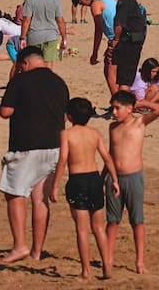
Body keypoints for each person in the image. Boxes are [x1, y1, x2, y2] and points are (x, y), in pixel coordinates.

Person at [0, 46, 70, 263]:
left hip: (26, 145)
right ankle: (37, 251)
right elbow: (64, 116)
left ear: (25, 63)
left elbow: (5, 111)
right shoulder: (59, 82)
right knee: (40, 200)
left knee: (14, 193)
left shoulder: (20, 80)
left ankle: (20, 245)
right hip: (54, 145)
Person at [51, 98, 117, 280]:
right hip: (94, 179)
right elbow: (107, 158)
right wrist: (115, 180)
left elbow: (63, 159)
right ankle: (107, 265)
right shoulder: (95, 133)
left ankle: (86, 270)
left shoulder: (67, 134)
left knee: (82, 229)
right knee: (99, 227)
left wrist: (55, 185)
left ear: (69, 116)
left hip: (77, 180)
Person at [106, 89, 159, 274]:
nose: (114, 112)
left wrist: (142, 103)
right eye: (112, 108)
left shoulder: (139, 123)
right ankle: (108, 259)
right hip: (114, 178)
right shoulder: (112, 127)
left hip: (133, 178)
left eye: (117, 108)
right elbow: (110, 154)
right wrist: (103, 176)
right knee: (112, 221)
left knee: (137, 221)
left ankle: (140, 262)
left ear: (129, 108)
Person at [75, 0, 119, 95]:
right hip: (124, 37)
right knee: (116, 73)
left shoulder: (95, 4)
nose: (82, 5)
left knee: (110, 73)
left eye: (80, 2)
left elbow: (98, 30)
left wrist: (94, 53)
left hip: (117, 40)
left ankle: (118, 101)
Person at [112, 0, 148, 92]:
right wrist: (116, 40)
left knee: (128, 78)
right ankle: (123, 101)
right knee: (125, 79)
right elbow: (119, 22)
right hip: (128, 44)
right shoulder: (126, 0)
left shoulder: (128, 0)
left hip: (133, 44)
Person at [19, 0, 67, 64]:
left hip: (34, 35)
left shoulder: (30, 0)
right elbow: (60, 21)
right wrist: (64, 38)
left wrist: (22, 37)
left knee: (35, 64)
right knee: (48, 64)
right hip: (51, 35)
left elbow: (26, 20)